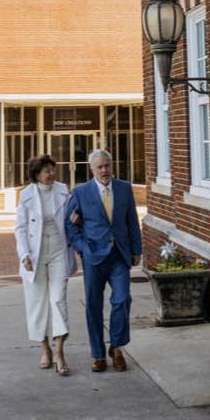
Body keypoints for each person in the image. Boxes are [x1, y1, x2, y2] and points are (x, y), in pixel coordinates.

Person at [65, 147, 142, 373]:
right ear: (92, 169)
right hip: (93, 258)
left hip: (119, 254)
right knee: (93, 306)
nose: (104, 170)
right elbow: (70, 225)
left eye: (107, 165)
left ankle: (116, 348)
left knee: (122, 300)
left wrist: (136, 249)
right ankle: (98, 354)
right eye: (99, 167)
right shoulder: (81, 192)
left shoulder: (125, 188)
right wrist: (82, 249)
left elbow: (132, 222)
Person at [14, 154, 76, 375]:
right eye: (46, 170)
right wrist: (24, 255)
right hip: (35, 253)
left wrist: (75, 219)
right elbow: (20, 228)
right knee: (37, 303)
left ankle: (59, 352)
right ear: (36, 174)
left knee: (58, 299)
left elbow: (71, 217)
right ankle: (45, 349)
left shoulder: (63, 190)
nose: (51, 174)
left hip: (59, 250)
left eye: (52, 169)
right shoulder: (27, 195)